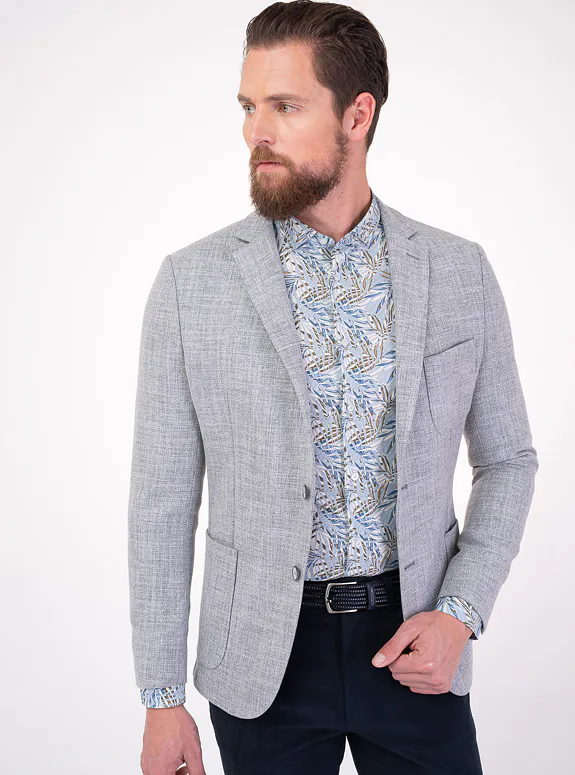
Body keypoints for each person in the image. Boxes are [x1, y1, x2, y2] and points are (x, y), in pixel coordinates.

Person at [127, 2, 538, 773]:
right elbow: (161, 501)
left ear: (357, 114)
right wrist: (160, 696)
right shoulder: (190, 284)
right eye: (248, 107)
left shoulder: (457, 270)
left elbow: (508, 459)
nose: (255, 132)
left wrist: (458, 614)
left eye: (284, 106)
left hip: (416, 639)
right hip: (261, 662)